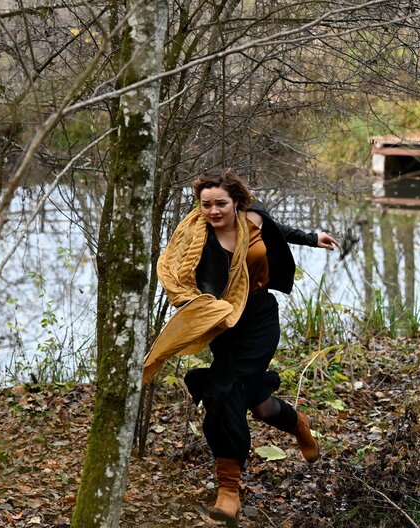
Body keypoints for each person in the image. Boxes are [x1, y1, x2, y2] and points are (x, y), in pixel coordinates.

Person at [142, 169, 339, 524]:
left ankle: (228, 488)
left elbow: (279, 230)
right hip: (223, 324)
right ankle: (297, 423)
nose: (213, 211)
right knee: (258, 405)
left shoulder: (254, 218)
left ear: (237, 202)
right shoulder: (195, 237)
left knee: (224, 390)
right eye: (206, 204)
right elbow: (174, 273)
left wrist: (313, 238)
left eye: (220, 203)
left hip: (260, 320)